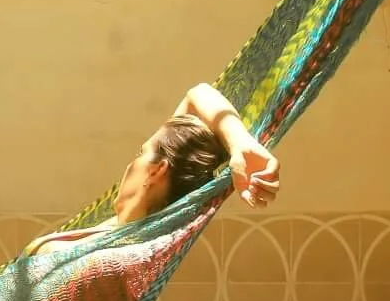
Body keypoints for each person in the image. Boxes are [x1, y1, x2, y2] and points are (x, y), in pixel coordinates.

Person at [28, 82, 279, 255]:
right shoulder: (131, 233)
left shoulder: (104, 254)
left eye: (141, 153)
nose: (130, 164)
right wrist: (241, 145)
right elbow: (198, 94)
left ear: (156, 171)